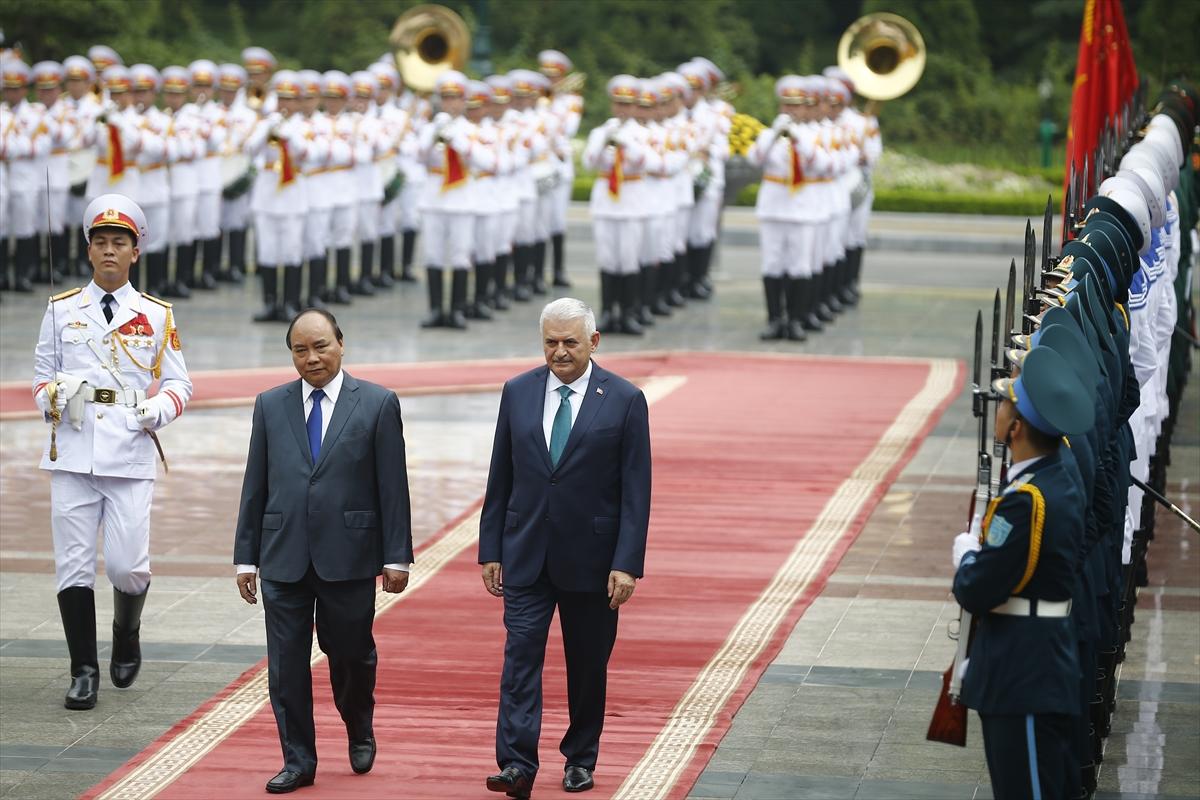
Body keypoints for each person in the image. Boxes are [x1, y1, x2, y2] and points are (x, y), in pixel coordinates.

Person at [232, 308, 413, 794]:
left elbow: (392, 486)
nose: (311, 358)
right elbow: (256, 483)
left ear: (340, 343)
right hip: (283, 555)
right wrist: (245, 557)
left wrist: (397, 556)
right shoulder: (270, 405)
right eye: (300, 350)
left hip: (349, 556)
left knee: (350, 653)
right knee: (285, 664)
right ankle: (298, 760)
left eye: (320, 347)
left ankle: (359, 723)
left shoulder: (376, 403)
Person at [479, 297, 651, 797]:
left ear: (593, 342)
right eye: (550, 342)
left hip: (594, 562)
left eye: (569, 342)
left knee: (587, 665)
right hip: (526, 554)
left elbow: (636, 491)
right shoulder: (517, 391)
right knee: (520, 659)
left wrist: (627, 564)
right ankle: (515, 763)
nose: (559, 352)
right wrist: (491, 547)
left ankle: (580, 756)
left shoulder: (623, 399)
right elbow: (500, 475)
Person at [32, 193, 193, 710]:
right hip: (73, 448)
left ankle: (127, 632)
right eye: (99, 241)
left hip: (127, 447)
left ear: (134, 253)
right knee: (73, 565)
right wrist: (51, 397)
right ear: (88, 250)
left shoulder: (154, 313)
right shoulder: (61, 311)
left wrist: (158, 411)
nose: (108, 250)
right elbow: (39, 378)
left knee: (127, 566)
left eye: (118, 243)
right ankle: (83, 670)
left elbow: (179, 383)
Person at [951, 345, 1095, 800]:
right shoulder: (1058, 469)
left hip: (1021, 674)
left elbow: (975, 589)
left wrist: (967, 556)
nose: (1000, 406)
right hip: (1043, 659)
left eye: (1007, 401)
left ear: (1016, 428)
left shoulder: (1026, 500)